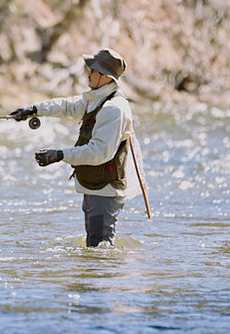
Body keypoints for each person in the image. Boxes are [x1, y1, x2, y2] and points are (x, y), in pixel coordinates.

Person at [10, 48, 141, 247]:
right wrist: (34, 110)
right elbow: (68, 106)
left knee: (100, 245)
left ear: (105, 76)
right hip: (96, 186)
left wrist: (59, 155)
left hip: (105, 190)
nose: (88, 73)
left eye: (93, 70)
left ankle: (101, 278)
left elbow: (99, 153)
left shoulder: (113, 109)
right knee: (95, 244)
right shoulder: (97, 98)